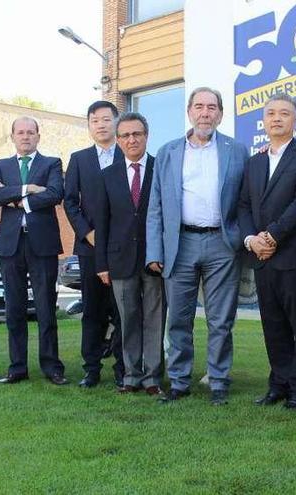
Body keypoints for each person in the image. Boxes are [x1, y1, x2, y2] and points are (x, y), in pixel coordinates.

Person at [146, 87, 249, 406]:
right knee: (178, 317)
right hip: (180, 243)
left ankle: (218, 380)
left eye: (212, 107)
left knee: (221, 319)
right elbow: (156, 205)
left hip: (223, 243)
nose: (206, 112)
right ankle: (179, 381)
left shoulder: (237, 150)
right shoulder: (168, 152)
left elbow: (245, 200)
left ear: (220, 114)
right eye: (200, 106)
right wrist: (154, 251)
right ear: (190, 112)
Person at [238, 94, 296, 410]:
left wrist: (271, 235)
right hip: (262, 257)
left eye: (284, 113)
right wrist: (252, 239)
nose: (277, 118)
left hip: (295, 255)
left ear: (295, 119)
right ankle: (279, 382)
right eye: (271, 113)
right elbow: (244, 204)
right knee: (272, 324)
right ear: (263, 120)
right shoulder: (254, 161)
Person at [0, 117, 66, 385]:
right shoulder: (0, 166)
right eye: (21, 132)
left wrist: (16, 201)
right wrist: (28, 190)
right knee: (14, 309)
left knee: (45, 307)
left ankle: (51, 366)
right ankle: (17, 367)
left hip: (41, 243)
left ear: (38, 136)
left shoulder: (51, 163)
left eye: (31, 132)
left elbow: (55, 193)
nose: (26, 137)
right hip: (10, 244)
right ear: (13, 137)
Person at [94, 112, 165, 396]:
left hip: (154, 259)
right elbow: (102, 222)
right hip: (120, 259)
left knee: (154, 319)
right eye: (125, 135)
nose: (131, 140)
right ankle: (131, 376)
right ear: (118, 140)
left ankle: (152, 378)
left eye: (136, 134)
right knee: (128, 319)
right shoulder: (107, 175)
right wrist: (101, 263)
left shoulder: (161, 168)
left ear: (146, 136)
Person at [64, 100, 125, 388]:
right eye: (94, 120)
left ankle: (123, 368)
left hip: (122, 247)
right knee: (93, 311)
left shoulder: (128, 154)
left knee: (123, 309)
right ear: (89, 126)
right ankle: (91, 369)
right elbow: (70, 202)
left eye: (105, 119)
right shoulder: (79, 159)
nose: (100, 125)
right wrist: (87, 233)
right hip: (89, 247)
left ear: (116, 121)